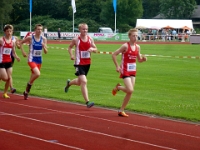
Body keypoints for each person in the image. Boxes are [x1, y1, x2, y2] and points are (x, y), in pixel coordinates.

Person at [112, 28, 147, 117]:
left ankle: (121, 110)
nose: (135, 37)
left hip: (133, 70)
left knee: (130, 91)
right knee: (130, 89)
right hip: (125, 70)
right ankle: (119, 87)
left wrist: (143, 59)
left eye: (136, 36)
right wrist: (117, 66)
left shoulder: (138, 47)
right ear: (129, 36)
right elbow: (114, 54)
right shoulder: (125, 46)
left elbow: (139, 60)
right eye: (133, 36)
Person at [64, 23, 97, 108]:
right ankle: (87, 102)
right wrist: (71, 55)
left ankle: (69, 83)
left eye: (86, 29)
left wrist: (92, 49)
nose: (85, 31)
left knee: (79, 82)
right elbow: (70, 47)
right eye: (83, 29)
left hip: (87, 63)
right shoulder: (76, 40)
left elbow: (96, 49)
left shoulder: (90, 39)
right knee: (84, 81)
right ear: (79, 30)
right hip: (79, 63)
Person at [20, 24, 48, 100]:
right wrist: (23, 52)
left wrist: (44, 46)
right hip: (31, 59)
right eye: (38, 29)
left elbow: (46, 52)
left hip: (39, 60)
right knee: (37, 74)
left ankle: (26, 91)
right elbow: (21, 43)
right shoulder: (30, 38)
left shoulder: (44, 39)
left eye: (41, 29)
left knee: (33, 76)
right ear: (35, 30)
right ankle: (28, 84)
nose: (39, 31)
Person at [0, 24, 20, 98]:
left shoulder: (12, 42)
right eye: (8, 31)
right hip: (1, 62)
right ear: (5, 32)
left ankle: (5, 93)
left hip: (9, 61)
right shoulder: (1, 40)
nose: (9, 33)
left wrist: (17, 57)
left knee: (8, 78)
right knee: (5, 78)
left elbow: (13, 53)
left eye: (10, 31)